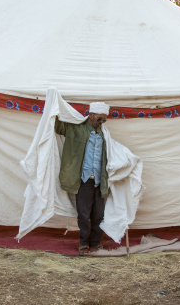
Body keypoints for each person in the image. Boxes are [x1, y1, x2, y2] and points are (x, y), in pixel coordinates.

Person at [54, 102, 110, 254]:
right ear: (90, 115)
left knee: (99, 215)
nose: (101, 123)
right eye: (99, 119)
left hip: (99, 181)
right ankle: (83, 243)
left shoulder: (105, 134)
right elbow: (58, 126)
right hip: (84, 180)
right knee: (84, 215)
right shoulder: (76, 128)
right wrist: (54, 102)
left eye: (104, 120)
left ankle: (95, 243)